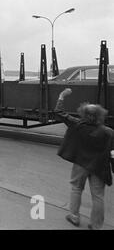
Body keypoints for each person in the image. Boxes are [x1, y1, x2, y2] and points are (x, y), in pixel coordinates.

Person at [54, 88, 114, 230]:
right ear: (100, 115)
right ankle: (96, 225)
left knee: (76, 188)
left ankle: (74, 217)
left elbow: (58, 112)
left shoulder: (77, 124)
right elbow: (112, 153)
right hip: (99, 166)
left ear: (83, 113)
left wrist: (61, 96)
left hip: (80, 164)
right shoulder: (109, 132)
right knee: (98, 196)